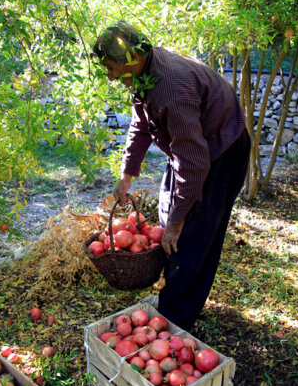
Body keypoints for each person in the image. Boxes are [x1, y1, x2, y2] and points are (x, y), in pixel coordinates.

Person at [93, 21, 250, 329]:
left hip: (220, 149)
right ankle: (175, 292)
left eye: (112, 68)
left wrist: (177, 225)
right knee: (171, 214)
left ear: (132, 59)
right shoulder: (144, 72)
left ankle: (176, 317)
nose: (110, 77)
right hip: (194, 146)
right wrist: (128, 173)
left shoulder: (170, 90)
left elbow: (193, 165)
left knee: (192, 234)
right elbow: (141, 122)